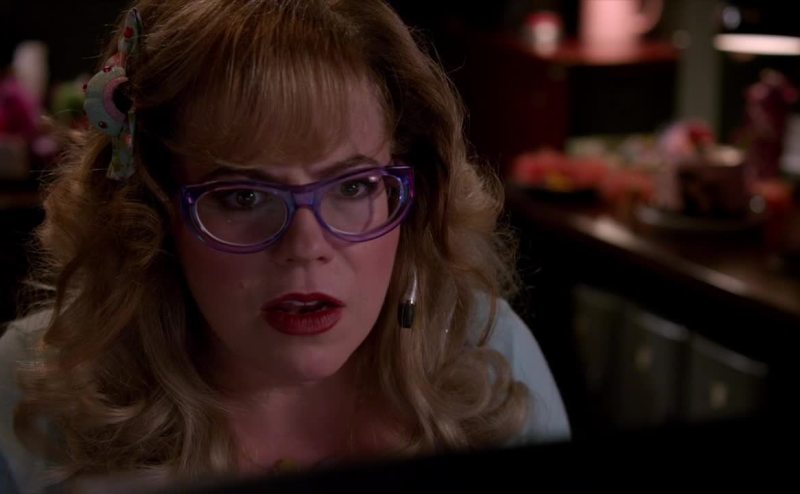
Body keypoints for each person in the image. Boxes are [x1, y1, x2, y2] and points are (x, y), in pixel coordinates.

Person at [0, 0, 570, 492]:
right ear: (150, 214)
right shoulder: (35, 387)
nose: (307, 246)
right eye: (244, 196)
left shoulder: (486, 352)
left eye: (353, 186)